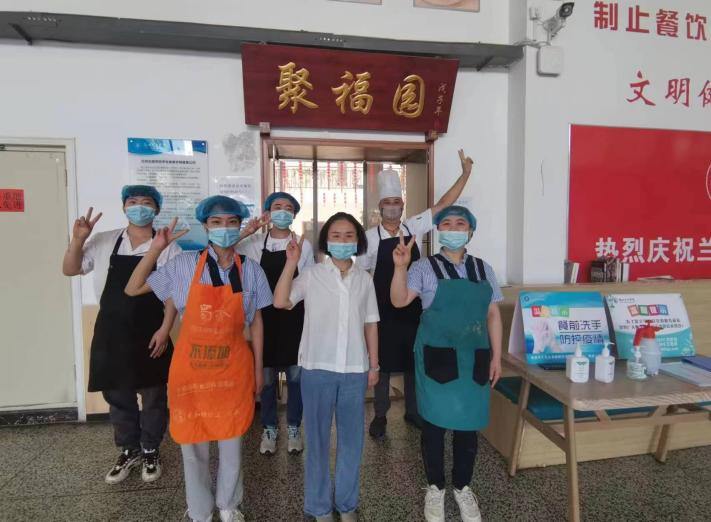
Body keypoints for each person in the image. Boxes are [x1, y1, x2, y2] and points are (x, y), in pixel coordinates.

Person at [124, 195, 272, 522]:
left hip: (234, 370)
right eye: (216, 222)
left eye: (231, 222)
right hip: (191, 372)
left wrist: (259, 369)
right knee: (193, 444)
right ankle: (200, 510)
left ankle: (229, 505)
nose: (224, 228)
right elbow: (133, 288)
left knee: (232, 442)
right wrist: (156, 249)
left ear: (239, 226)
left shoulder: (251, 270)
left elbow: (257, 322)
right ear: (205, 226)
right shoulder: (183, 265)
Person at [390, 205, 503, 522]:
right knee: (435, 427)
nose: (453, 228)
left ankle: (463, 487)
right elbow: (399, 300)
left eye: (460, 223)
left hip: (475, 357)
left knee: (469, 427)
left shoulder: (484, 269)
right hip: (436, 358)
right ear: (438, 230)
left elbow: (493, 314)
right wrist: (400, 268)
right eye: (447, 223)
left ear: (470, 231)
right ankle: (436, 488)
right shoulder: (423, 267)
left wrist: (497, 356)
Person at [62, 185, 181, 484]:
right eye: (133, 201)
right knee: (117, 395)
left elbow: (172, 295)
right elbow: (70, 269)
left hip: (152, 329)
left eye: (146, 202)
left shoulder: (168, 246)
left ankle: (150, 448)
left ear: (156, 209)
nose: (139, 207)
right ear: (124, 206)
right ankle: (129, 450)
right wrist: (78, 240)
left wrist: (165, 329)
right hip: (111, 331)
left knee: (154, 396)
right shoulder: (105, 240)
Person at [357, 150, 475, 439]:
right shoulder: (369, 238)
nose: (393, 207)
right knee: (382, 362)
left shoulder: (413, 225)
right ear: (380, 207)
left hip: (412, 306)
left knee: (413, 359)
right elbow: (361, 275)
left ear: (402, 204)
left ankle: (413, 411)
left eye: (396, 202)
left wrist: (465, 174)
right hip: (382, 309)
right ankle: (380, 415)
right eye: (387, 203)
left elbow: (444, 204)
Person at [273, 212, 379, 522]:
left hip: (354, 369)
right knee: (317, 441)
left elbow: (371, 323)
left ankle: (347, 504)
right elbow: (280, 301)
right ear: (326, 241)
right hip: (317, 368)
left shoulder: (364, 279)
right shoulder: (312, 274)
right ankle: (318, 507)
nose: (343, 240)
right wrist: (291, 263)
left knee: (352, 441)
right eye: (336, 235)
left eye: (349, 235)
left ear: (358, 241)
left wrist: (374, 365)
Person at [237, 191, 314, 456]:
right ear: (268, 212)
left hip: (295, 317)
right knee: (267, 379)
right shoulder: (255, 242)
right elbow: (222, 252)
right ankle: (269, 427)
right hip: (264, 319)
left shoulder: (303, 244)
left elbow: (309, 283)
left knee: (296, 378)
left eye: (288, 207)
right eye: (277, 206)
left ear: (294, 214)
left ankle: (293, 427)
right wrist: (246, 232)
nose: (283, 211)